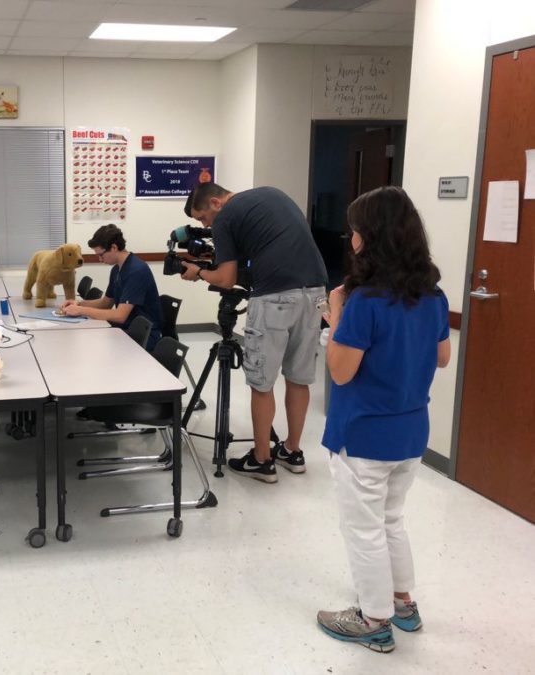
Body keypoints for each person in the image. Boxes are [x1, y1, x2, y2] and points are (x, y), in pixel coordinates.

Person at [316, 186, 450, 652]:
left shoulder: (364, 302)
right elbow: (443, 356)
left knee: (364, 527)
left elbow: (340, 370)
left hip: (364, 435)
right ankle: (402, 602)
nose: (350, 239)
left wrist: (336, 316)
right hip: (411, 431)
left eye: (354, 231)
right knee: (392, 518)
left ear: (369, 237)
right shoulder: (431, 295)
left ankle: (373, 619)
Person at [183, 183, 327, 483]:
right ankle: (292, 450)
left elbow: (225, 278)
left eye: (202, 218)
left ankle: (262, 459)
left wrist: (197, 272)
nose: (206, 226)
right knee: (299, 378)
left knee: (262, 383)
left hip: (275, 297)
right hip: (315, 294)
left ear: (215, 202)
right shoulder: (272, 193)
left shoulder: (225, 217)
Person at [61, 224, 163, 351]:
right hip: (127, 327)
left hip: (143, 335)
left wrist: (81, 310)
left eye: (101, 255)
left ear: (114, 247)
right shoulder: (117, 269)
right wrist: (79, 304)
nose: (99, 259)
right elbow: (106, 303)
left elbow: (120, 316)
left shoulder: (136, 271)